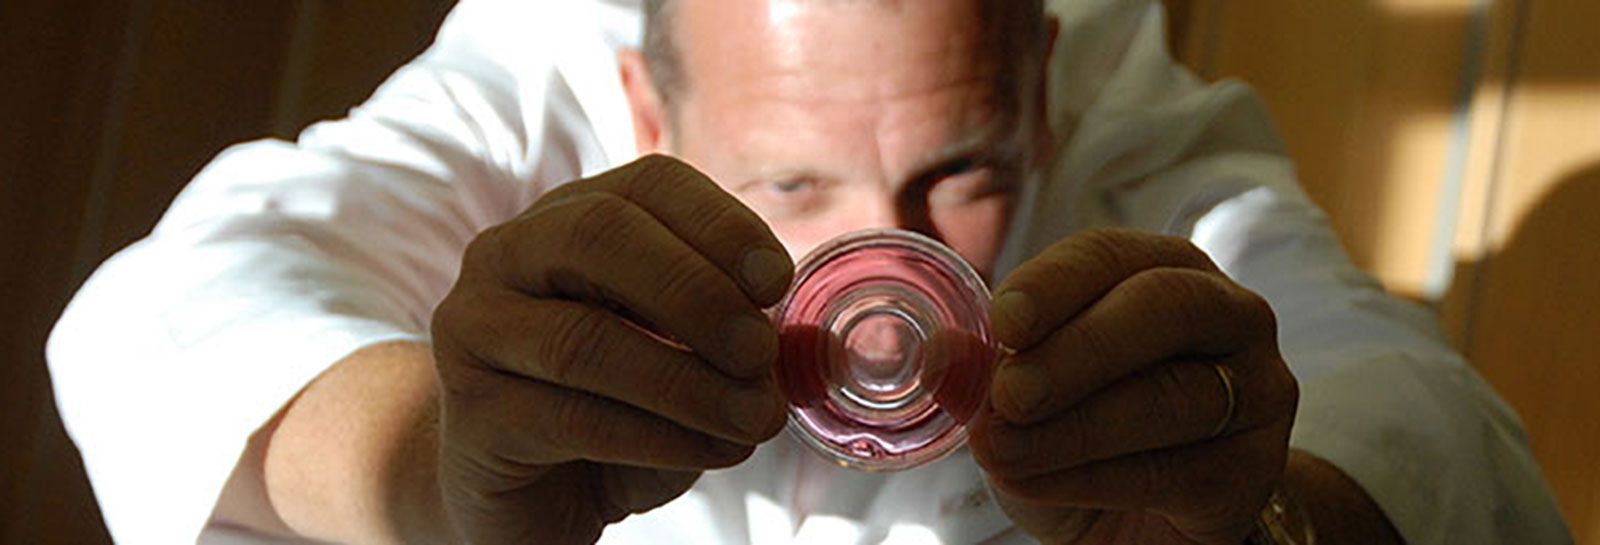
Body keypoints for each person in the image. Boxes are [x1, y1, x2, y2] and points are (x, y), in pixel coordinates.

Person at [47, 0, 1570, 543]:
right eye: (787, 179)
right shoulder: (544, 68)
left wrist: (1262, 522)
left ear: (1042, 90)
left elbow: (1445, 443)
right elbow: (152, 322)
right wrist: (443, 471)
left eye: (962, 169)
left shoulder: (1133, 120)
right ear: (647, 109)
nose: (871, 258)